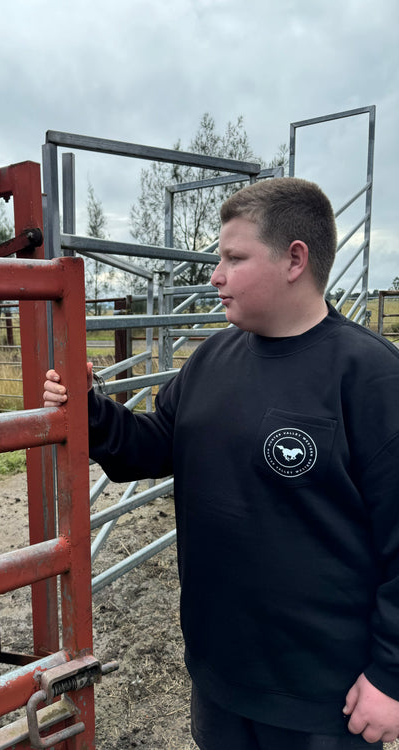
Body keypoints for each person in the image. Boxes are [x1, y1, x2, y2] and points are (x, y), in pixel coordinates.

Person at [43, 177, 399, 749]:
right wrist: (88, 410)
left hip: (324, 701)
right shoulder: (212, 360)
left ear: (294, 260)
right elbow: (151, 446)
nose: (215, 275)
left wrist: (391, 677)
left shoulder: (370, 377)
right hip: (221, 680)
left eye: (234, 257)